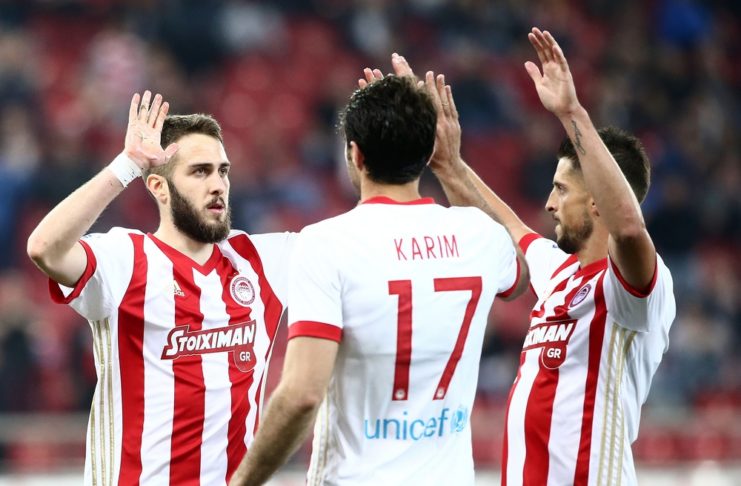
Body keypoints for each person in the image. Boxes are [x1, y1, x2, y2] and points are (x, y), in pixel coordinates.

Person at [229, 64, 529, 485]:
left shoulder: (327, 243)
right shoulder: (481, 235)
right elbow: (520, 274)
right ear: (429, 151)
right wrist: (451, 166)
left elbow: (301, 395)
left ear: (355, 154)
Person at [426, 28, 676, 485]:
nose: (549, 204)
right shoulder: (561, 272)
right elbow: (502, 226)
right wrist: (449, 165)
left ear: (597, 199)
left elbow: (628, 227)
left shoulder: (634, 292)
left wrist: (571, 113)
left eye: (561, 189)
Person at [26, 91, 294, 484]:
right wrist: (127, 165)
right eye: (200, 172)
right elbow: (44, 248)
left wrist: (397, 145)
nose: (218, 185)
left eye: (222, 171)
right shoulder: (125, 259)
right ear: (159, 187)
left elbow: (364, 239)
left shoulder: (262, 260)